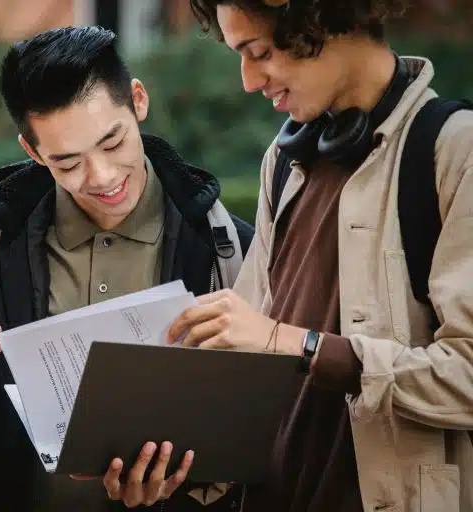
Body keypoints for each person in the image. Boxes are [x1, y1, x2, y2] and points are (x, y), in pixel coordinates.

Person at [0, 26, 255, 511]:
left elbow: (270, 436)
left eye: (113, 143)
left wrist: (184, 486)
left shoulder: (230, 249)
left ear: (138, 101)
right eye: (68, 163)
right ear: (33, 153)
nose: (102, 178)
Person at [163, 1, 473, 511]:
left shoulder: (452, 151)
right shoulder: (282, 163)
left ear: (323, 20)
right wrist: (173, 467)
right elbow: (246, 365)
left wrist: (300, 346)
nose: (247, 80)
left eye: (259, 52)